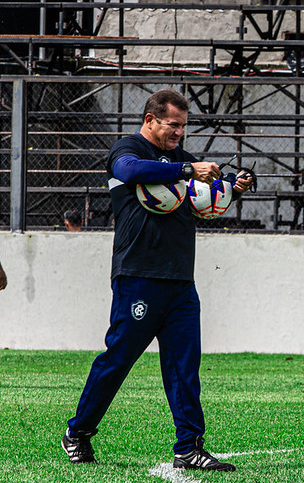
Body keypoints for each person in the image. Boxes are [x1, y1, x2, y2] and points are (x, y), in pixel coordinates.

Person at [61, 89, 253, 471]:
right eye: (173, 125)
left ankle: (189, 446)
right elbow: (132, 172)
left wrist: (233, 184)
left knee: (184, 365)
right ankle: (77, 432)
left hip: (181, 280)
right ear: (150, 119)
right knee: (118, 359)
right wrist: (187, 169)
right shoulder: (126, 149)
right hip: (138, 276)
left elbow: (203, 191)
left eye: (184, 126)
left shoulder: (182, 159)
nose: (180, 133)